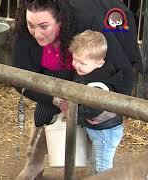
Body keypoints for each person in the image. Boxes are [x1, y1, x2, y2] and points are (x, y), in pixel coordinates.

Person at [12, 0, 139, 179]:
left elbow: (123, 69)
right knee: (44, 114)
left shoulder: (89, 24)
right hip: (55, 71)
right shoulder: (25, 32)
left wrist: (111, 106)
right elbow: (18, 78)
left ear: (60, 21)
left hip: (88, 72)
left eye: (44, 26)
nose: (37, 33)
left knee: (94, 125)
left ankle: (96, 167)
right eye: (31, 25)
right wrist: (54, 99)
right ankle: (34, 162)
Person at [67, 30, 125, 173]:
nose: (76, 65)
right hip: (97, 128)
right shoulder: (86, 72)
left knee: (104, 167)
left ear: (99, 63)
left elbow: (94, 109)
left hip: (106, 131)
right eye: (74, 59)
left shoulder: (98, 83)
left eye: (82, 62)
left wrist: (73, 111)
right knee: (95, 163)